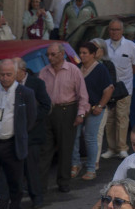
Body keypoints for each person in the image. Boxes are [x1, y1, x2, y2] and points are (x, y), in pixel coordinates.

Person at [0, 59, 37, 209]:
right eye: (2, 74)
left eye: (9, 75)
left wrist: (19, 134)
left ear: (16, 74)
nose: (5, 78)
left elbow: (31, 119)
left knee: (15, 182)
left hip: (12, 144)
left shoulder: (26, 93)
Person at [38, 42, 89, 193]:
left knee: (65, 148)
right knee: (45, 149)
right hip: (48, 112)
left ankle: (63, 181)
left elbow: (83, 95)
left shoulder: (73, 70)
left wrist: (80, 114)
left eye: (53, 54)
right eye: (48, 55)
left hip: (67, 111)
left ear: (62, 54)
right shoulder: (44, 72)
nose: (49, 57)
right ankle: (40, 184)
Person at [72, 42, 114, 181]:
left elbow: (109, 89)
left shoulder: (100, 69)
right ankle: (75, 164)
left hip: (94, 109)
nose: (82, 56)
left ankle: (91, 168)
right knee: (74, 137)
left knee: (90, 138)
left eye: (85, 53)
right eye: (81, 53)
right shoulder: (78, 68)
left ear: (93, 54)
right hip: (79, 109)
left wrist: (100, 106)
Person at [13, 57, 50, 208]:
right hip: (13, 135)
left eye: (12, 72)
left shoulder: (37, 83)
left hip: (32, 134)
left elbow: (45, 106)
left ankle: (37, 197)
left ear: (22, 71)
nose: (7, 76)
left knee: (31, 168)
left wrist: (30, 119)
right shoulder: (7, 85)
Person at [102, 20, 135, 160]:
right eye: (112, 29)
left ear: (122, 30)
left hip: (124, 88)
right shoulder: (103, 45)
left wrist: (126, 76)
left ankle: (122, 148)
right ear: (109, 30)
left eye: (117, 29)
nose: (114, 32)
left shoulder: (131, 46)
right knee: (110, 119)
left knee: (122, 118)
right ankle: (111, 148)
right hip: (108, 88)